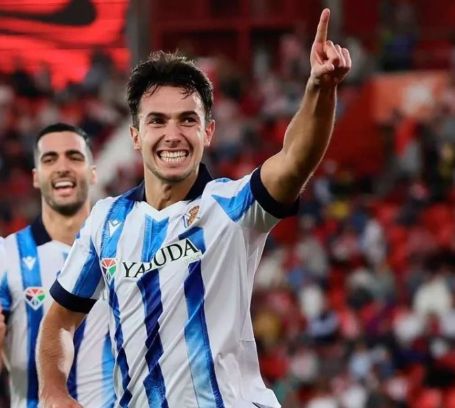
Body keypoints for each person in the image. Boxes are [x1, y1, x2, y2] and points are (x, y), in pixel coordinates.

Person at [37, 9, 351, 408]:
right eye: (157, 121)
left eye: (187, 120)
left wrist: (319, 90)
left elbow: (294, 160)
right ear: (135, 135)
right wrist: (52, 390)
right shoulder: (106, 221)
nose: (173, 135)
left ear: (208, 132)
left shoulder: (232, 207)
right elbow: (59, 320)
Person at [0, 123, 116, 408]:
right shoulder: (3, 256)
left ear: (92, 172)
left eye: (74, 157)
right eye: (50, 159)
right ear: (36, 177)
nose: (62, 167)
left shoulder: (125, 247)